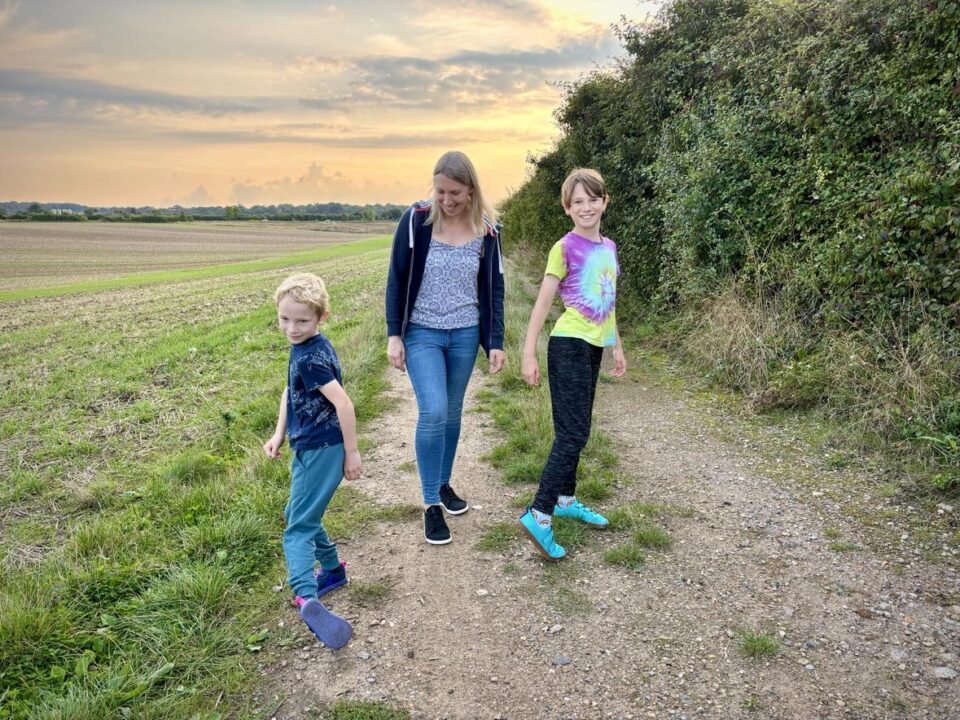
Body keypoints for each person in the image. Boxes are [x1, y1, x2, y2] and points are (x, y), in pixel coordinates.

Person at [385, 150, 506, 545]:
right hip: (422, 333)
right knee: (433, 410)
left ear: (471, 190)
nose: (447, 200)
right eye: (440, 191)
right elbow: (396, 279)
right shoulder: (416, 220)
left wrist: (496, 342)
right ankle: (429, 506)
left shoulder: (488, 230)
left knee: (453, 413)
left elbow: (495, 290)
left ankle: (442, 484)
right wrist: (393, 334)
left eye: (455, 192)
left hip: (465, 334)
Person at [518, 168, 627, 561]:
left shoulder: (609, 247)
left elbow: (608, 298)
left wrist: (616, 345)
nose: (586, 207)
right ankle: (540, 512)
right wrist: (528, 352)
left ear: (604, 201)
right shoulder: (563, 247)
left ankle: (566, 498)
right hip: (568, 344)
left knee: (578, 427)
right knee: (573, 434)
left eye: (592, 199)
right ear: (568, 208)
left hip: (595, 346)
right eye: (577, 201)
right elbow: (543, 303)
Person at [263, 272, 362, 648]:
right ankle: (333, 571)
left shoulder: (311, 358)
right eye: (284, 319)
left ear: (322, 317)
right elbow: (291, 392)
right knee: (299, 513)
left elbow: (343, 402)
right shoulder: (305, 349)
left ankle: (306, 595)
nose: (292, 328)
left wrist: (351, 453)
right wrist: (278, 433)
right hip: (307, 445)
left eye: (302, 320)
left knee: (298, 526)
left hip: (322, 450)